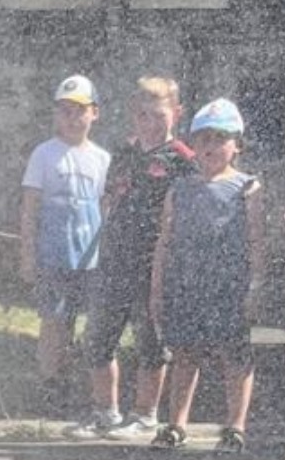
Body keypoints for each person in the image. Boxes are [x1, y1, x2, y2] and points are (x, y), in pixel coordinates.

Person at [65, 77, 193, 440]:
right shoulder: (124, 153)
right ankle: (105, 411)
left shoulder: (182, 159)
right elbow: (109, 199)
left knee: (150, 339)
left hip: (154, 262)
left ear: (177, 113)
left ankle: (145, 414)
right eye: (141, 114)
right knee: (99, 335)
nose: (149, 122)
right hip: (115, 258)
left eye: (157, 114)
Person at [148, 98, 262, 455]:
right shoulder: (179, 189)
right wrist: (157, 289)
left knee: (235, 356)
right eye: (203, 139)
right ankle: (176, 423)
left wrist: (257, 284)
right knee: (184, 354)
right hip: (186, 284)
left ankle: (235, 427)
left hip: (229, 286)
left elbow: (257, 241)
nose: (210, 146)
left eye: (220, 138)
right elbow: (164, 242)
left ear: (237, 145)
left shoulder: (247, 188)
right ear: (193, 145)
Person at [19, 75, 110, 406]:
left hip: (91, 258)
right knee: (53, 321)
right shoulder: (44, 155)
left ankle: (83, 380)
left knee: (90, 322)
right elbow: (30, 208)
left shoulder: (102, 159)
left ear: (94, 113)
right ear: (56, 115)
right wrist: (27, 255)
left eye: (80, 111)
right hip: (52, 255)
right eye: (65, 111)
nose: (73, 119)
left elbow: (105, 209)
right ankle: (51, 383)